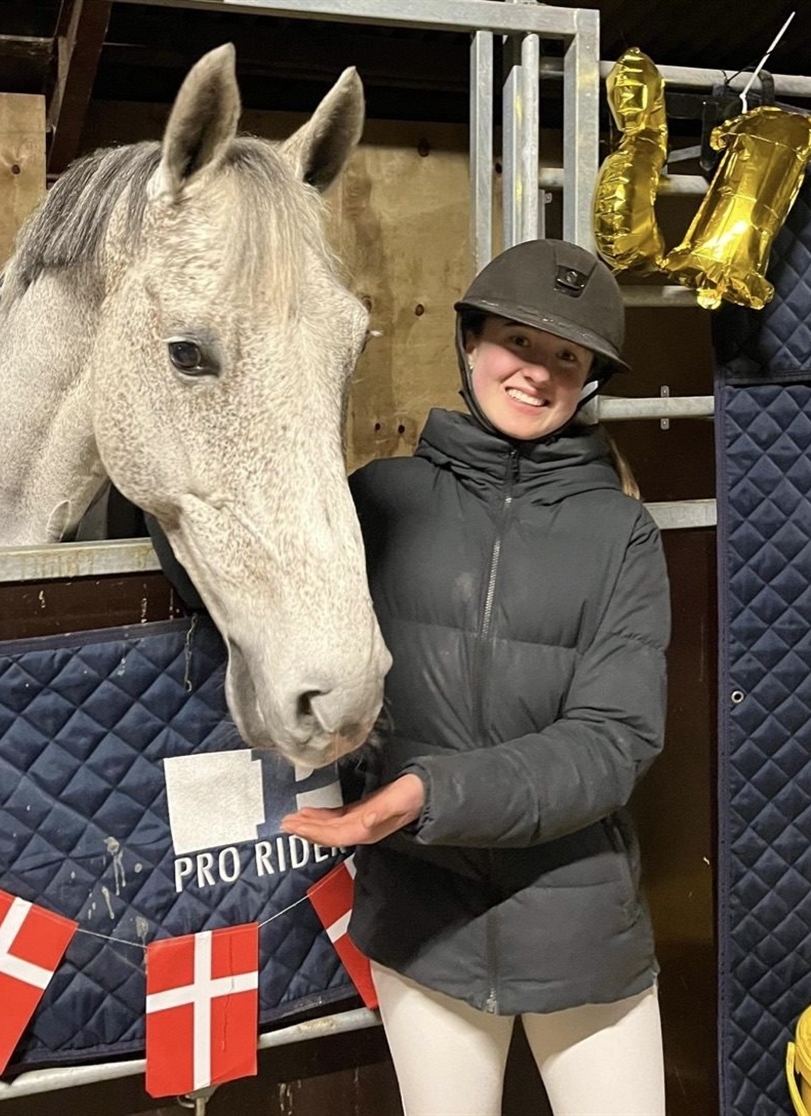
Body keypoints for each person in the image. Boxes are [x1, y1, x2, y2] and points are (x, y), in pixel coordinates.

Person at [281, 239, 671, 1116]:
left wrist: (428, 792)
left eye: (566, 356)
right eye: (518, 342)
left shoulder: (621, 535)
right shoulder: (380, 499)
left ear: (588, 381)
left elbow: (613, 742)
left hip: (577, 925)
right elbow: (243, 574)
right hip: (423, 922)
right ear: (470, 342)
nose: (537, 372)